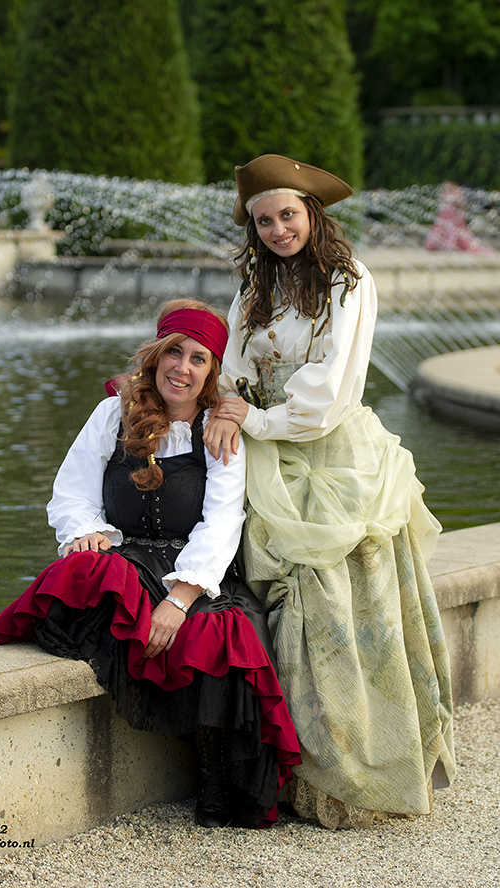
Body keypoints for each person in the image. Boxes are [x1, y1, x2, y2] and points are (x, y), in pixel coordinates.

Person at [203, 154, 456, 829]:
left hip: (329, 456)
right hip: (266, 453)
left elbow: (329, 390)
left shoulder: (347, 279)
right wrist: (226, 410)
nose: (277, 229)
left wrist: (253, 420)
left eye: (287, 215)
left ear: (312, 214)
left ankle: (361, 775)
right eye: (263, 221)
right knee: (289, 615)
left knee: (343, 614)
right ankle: (300, 773)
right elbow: (232, 366)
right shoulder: (256, 286)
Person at [0, 298, 300, 830]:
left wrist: (180, 599)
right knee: (88, 570)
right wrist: (86, 532)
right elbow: (72, 489)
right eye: (174, 353)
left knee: (220, 633)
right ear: (156, 356)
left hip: (196, 566)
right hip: (127, 556)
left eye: (198, 359)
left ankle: (215, 782)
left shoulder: (218, 428)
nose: (183, 368)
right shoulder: (114, 413)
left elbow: (222, 523)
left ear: (211, 371)